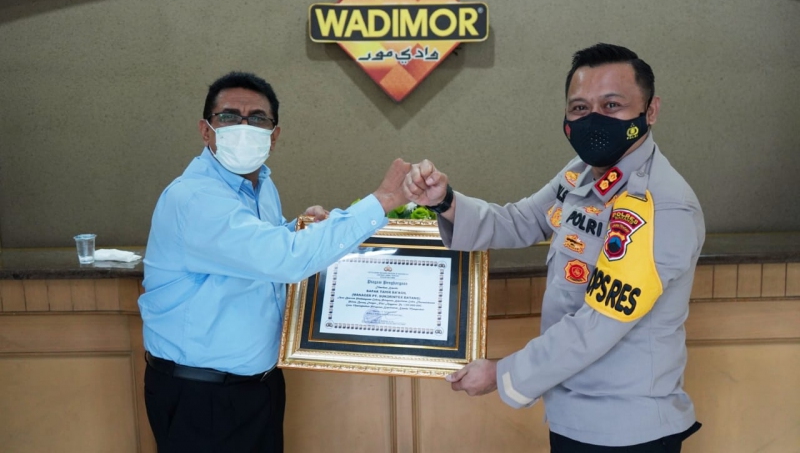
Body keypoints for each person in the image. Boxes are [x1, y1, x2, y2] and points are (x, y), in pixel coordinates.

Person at [404, 43, 704, 452]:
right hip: (573, 413)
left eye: (612, 105)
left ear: (650, 111)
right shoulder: (581, 173)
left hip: (626, 429)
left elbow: (598, 323)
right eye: (580, 108)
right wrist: (445, 201)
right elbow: (522, 220)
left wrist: (501, 373)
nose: (594, 119)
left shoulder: (662, 203)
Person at [139, 71, 410, 452]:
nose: (244, 127)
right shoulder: (194, 198)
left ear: (274, 135)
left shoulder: (260, 185)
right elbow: (285, 258)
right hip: (202, 397)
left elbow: (260, 247)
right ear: (206, 131)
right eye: (229, 117)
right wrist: (381, 202)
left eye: (257, 118)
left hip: (257, 387)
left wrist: (298, 227)